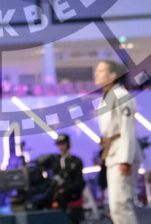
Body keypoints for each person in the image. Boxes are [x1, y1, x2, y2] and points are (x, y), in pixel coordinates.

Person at [94, 60, 140, 224]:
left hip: (123, 153)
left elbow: (127, 128)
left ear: (112, 75)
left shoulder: (121, 96)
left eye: (101, 71)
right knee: (115, 207)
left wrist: (125, 160)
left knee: (121, 205)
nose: (96, 74)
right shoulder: (105, 98)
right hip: (113, 153)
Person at [44, 134, 85, 223]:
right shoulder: (56, 162)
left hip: (71, 193)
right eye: (59, 144)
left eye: (63, 144)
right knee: (43, 199)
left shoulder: (76, 161)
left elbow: (79, 181)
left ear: (68, 144)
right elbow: (54, 178)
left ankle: (64, 219)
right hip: (57, 191)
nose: (61, 146)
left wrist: (66, 189)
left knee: (61, 197)